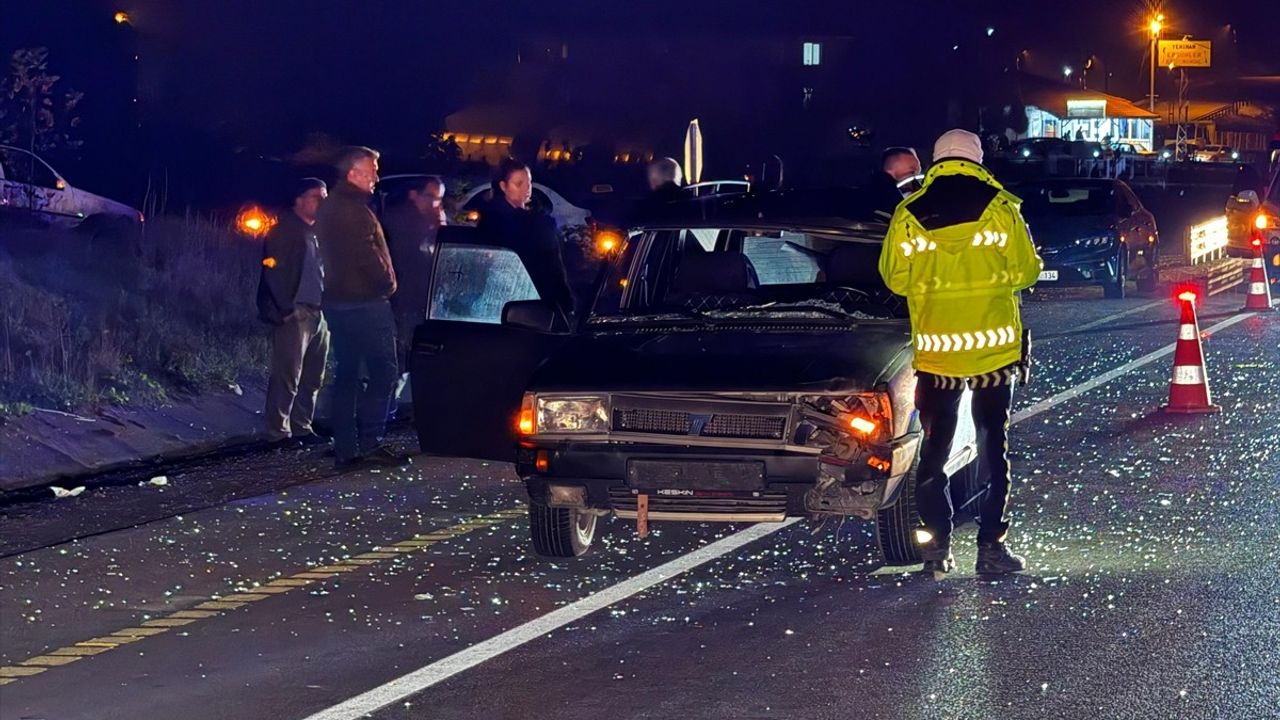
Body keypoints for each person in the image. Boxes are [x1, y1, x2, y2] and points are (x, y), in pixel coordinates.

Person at [877, 129, 1043, 576]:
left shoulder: (909, 212)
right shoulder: (1002, 208)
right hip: (992, 356)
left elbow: (894, 278)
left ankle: (935, 549)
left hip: (937, 357)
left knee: (933, 453)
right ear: (976, 159)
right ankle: (991, 548)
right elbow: (1026, 272)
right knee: (993, 450)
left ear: (936, 160)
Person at [314, 146, 407, 469]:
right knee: (383, 372)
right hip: (365, 303)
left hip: (339, 303)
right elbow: (367, 257)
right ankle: (370, 442)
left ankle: (346, 446)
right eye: (371, 171)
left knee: (348, 374)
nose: (376, 177)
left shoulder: (331, 207)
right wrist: (387, 284)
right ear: (353, 173)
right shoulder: (353, 211)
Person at [256, 178, 330, 445]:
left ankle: (302, 425)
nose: (322, 202)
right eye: (316, 197)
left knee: (313, 375)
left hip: (318, 312)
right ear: (299, 200)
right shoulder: (285, 231)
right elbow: (272, 271)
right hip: (296, 312)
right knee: (288, 374)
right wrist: (286, 308)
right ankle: (278, 430)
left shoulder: (318, 232)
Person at [477, 158, 575, 318]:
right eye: (519, 183)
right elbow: (553, 268)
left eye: (529, 182)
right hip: (532, 302)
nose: (527, 188)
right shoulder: (536, 224)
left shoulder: (488, 220)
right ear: (503, 186)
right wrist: (566, 303)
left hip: (497, 302)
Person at [384, 175, 447, 413]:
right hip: (406, 302)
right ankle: (383, 413)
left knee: (411, 359)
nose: (438, 205)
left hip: (421, 303)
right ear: (415, 196)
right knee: (401, 360)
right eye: (433, 198)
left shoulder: (428, 224)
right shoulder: (403, 223)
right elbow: (413, 263)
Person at [869, 147, 923, 221]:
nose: (916, 180)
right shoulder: (876, 209)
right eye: (911, 172)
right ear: (888, 171)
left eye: (918, 172)